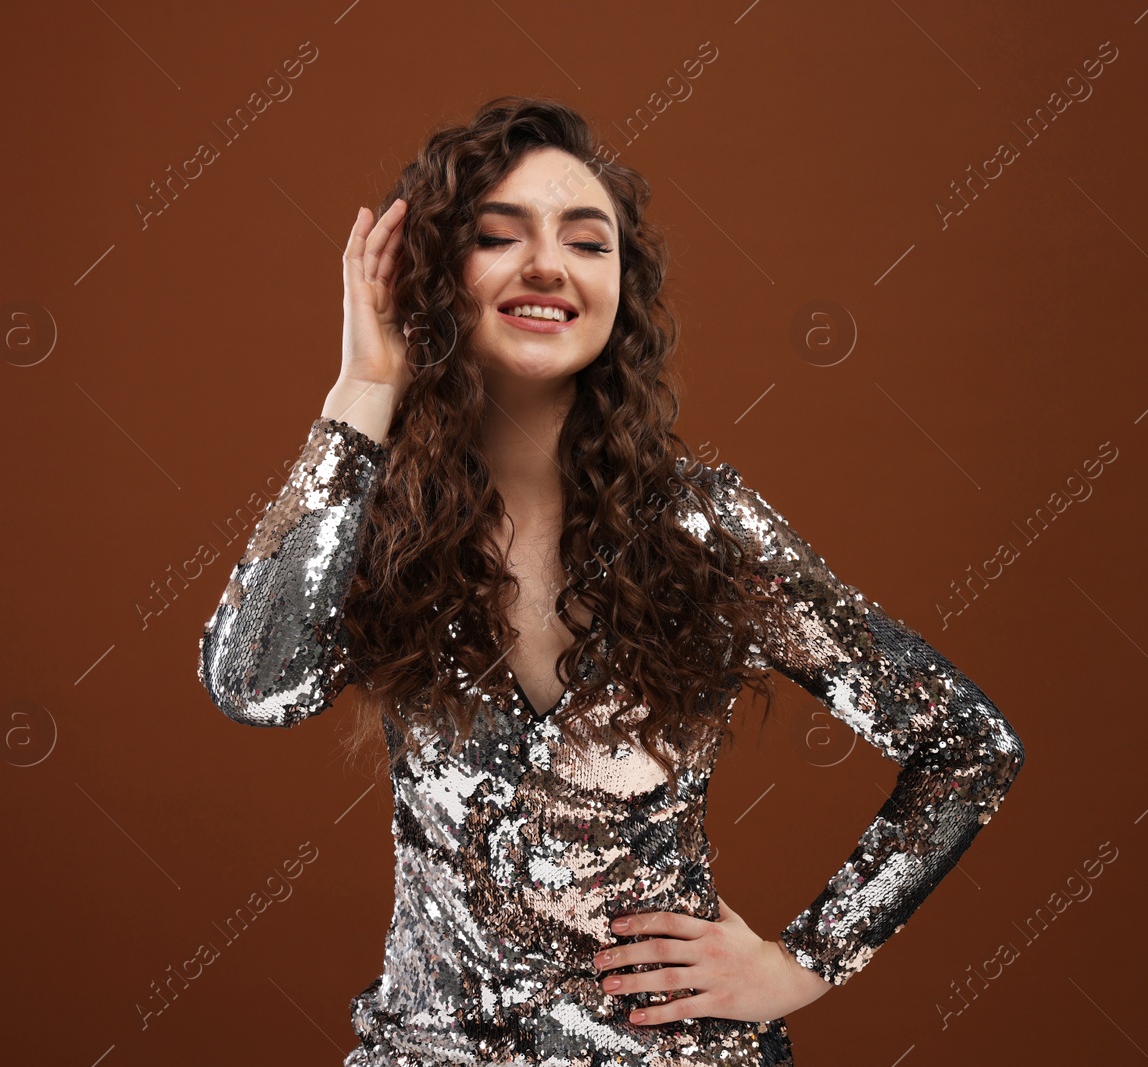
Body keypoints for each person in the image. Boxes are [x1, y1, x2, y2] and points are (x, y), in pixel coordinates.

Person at [197, 96, 1024, 1067]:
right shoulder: (376, 519)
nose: (545, 263)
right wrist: (363, 387)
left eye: (587, 243)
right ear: (433, 275)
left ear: (620, 292)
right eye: (498, 236)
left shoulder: (703, 528)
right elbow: (255, 686)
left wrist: (804, 959)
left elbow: (968, 743)